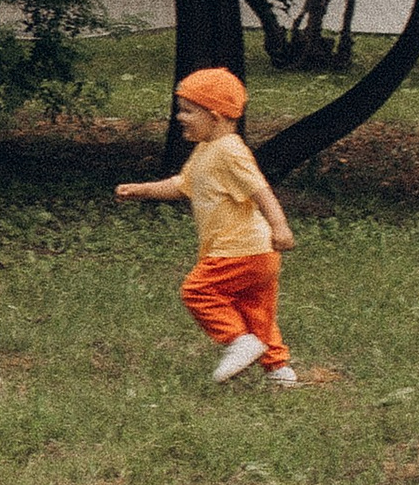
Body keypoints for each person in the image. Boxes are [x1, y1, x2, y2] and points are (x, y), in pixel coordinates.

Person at [114, 63, 298, 387]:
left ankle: (239, 341)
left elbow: (260, 190)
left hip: (240, 250)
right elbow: (182, 185)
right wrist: (142, 190)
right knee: (256, 311)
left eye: (188, 111)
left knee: (198, 291)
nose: (180, 117)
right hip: (257, 253)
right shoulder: (206, 150)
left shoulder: (229, 150)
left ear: (214, 115)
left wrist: (280, 227)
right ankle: (279, 372)